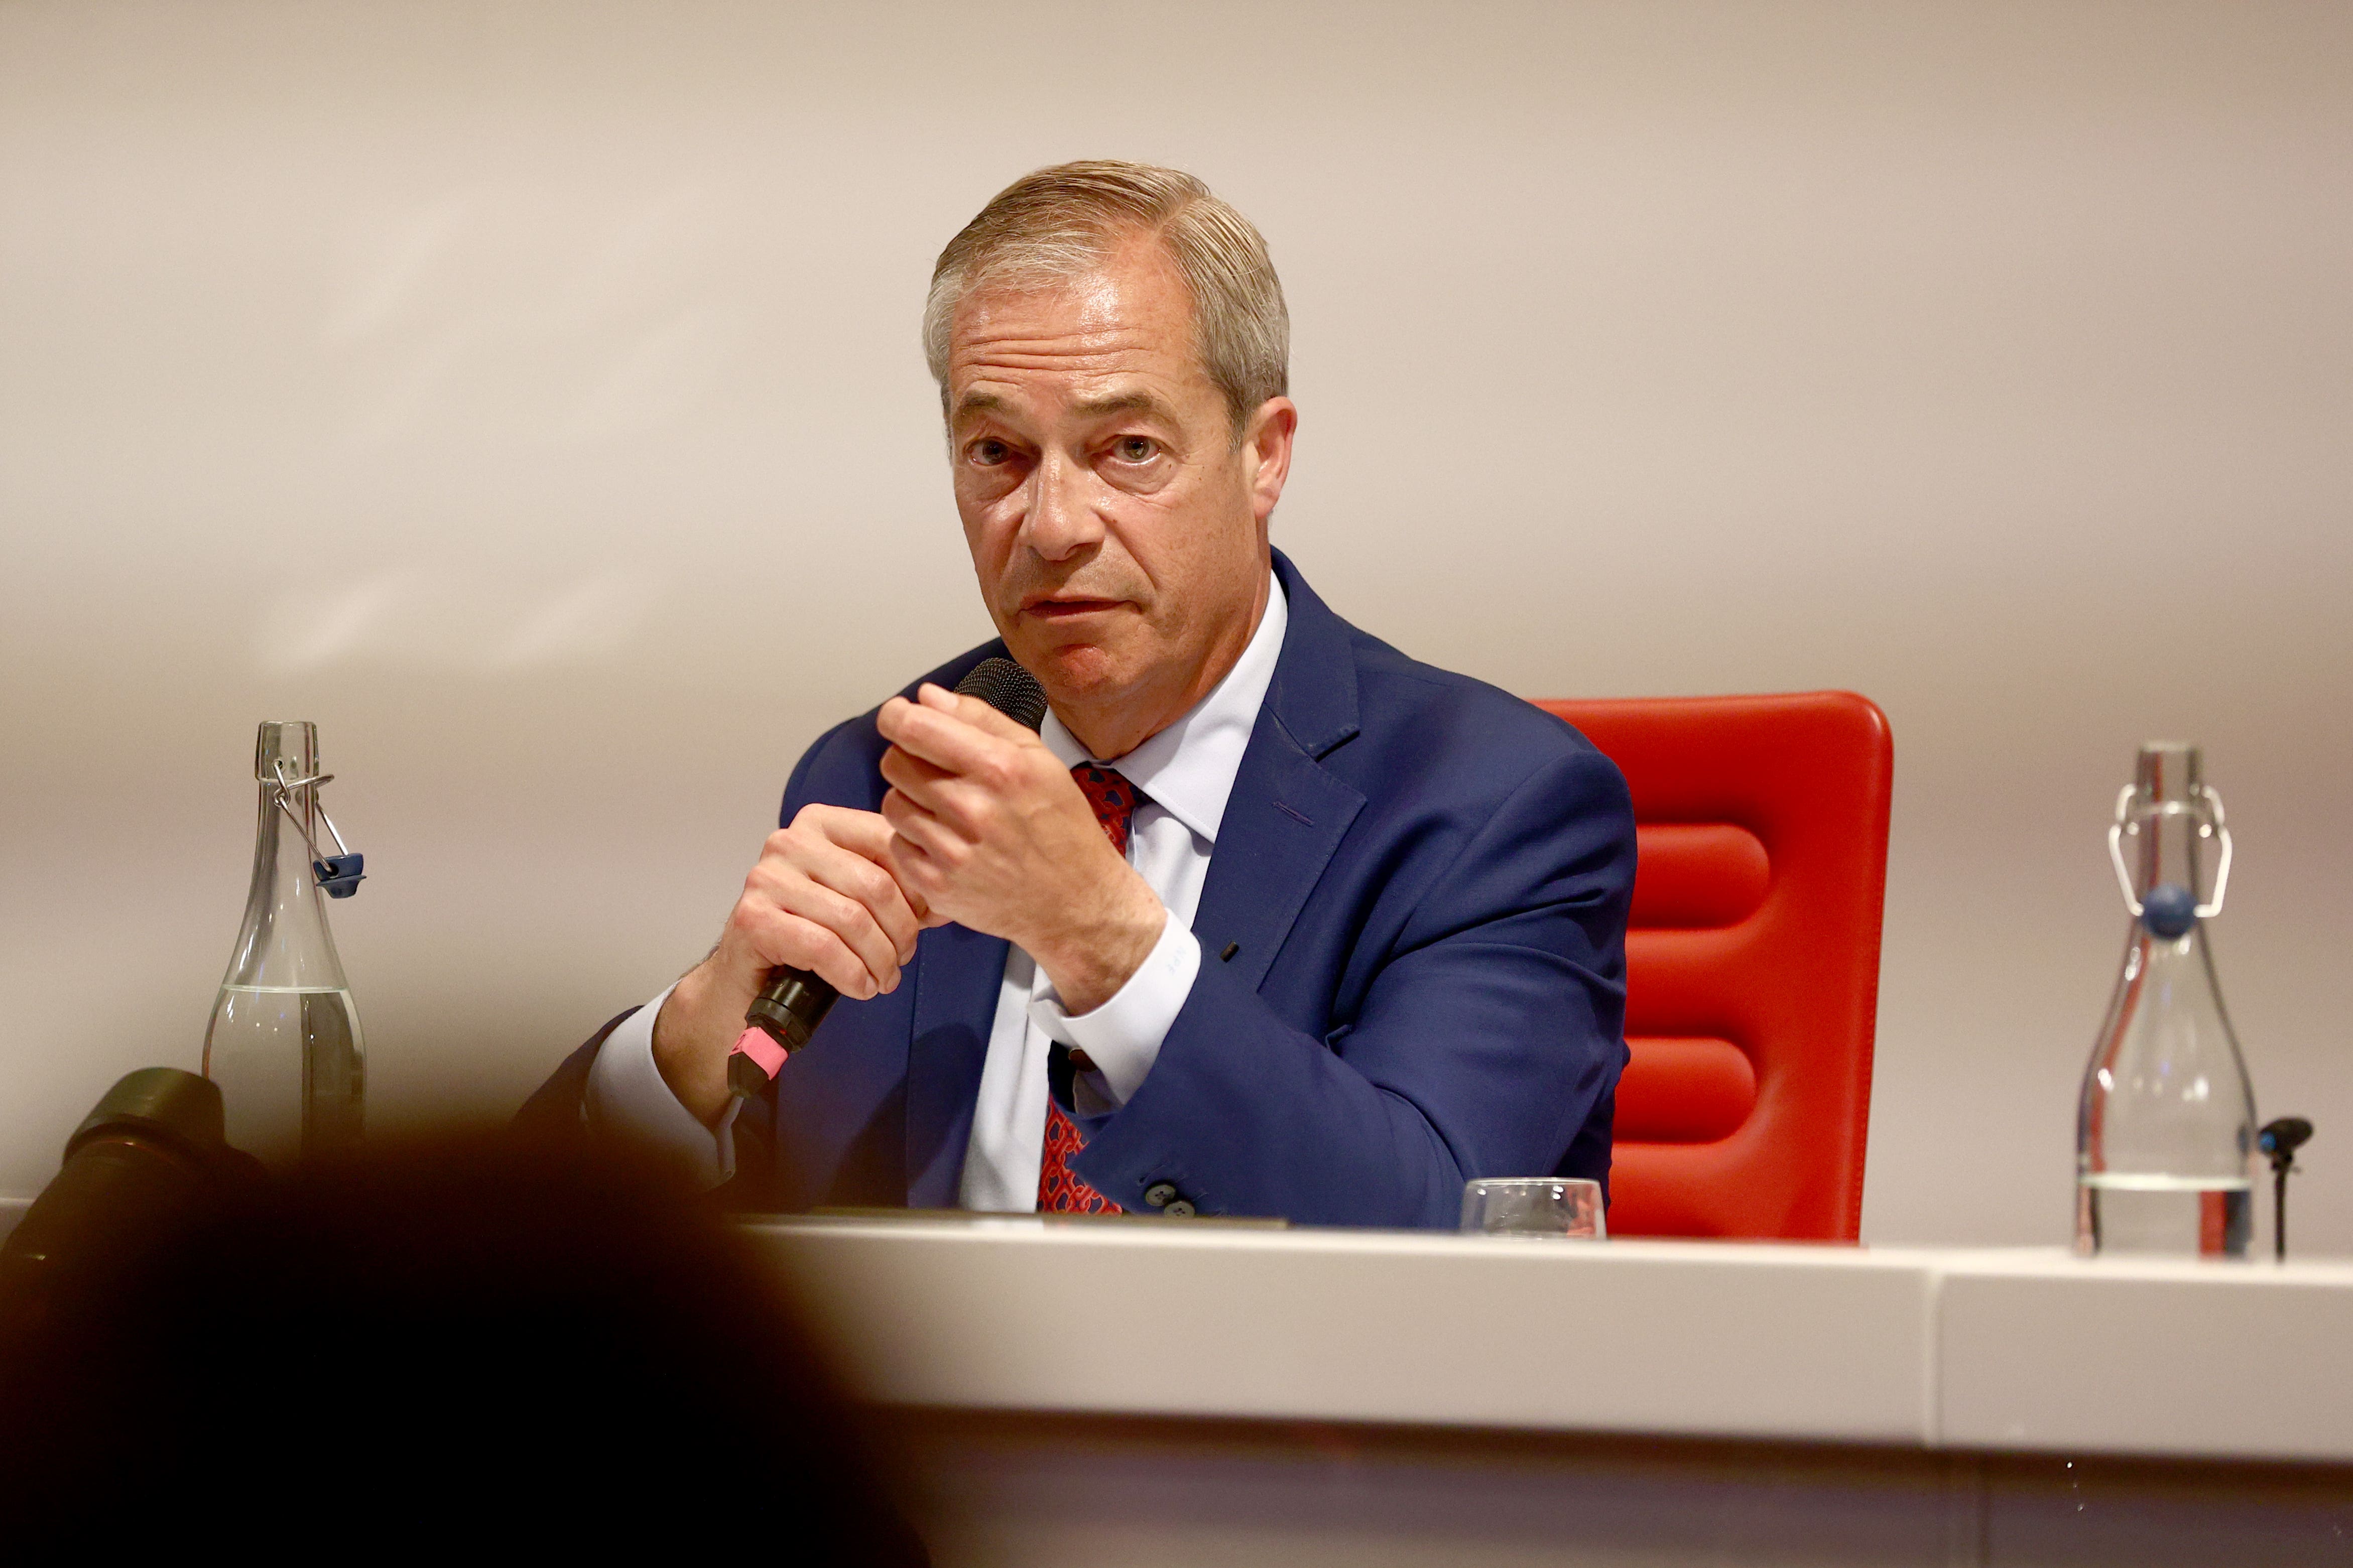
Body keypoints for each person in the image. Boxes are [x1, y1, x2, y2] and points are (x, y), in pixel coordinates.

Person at [524, 161, 1636, 1228]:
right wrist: (694, 1036)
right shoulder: (881, 770)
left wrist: (1108, 942)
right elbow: (531, 1245)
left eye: (1128, 448)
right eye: (997, 452)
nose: (1051, 525)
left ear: (1265, 456)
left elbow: (1450, 1235)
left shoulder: (1492, 807)